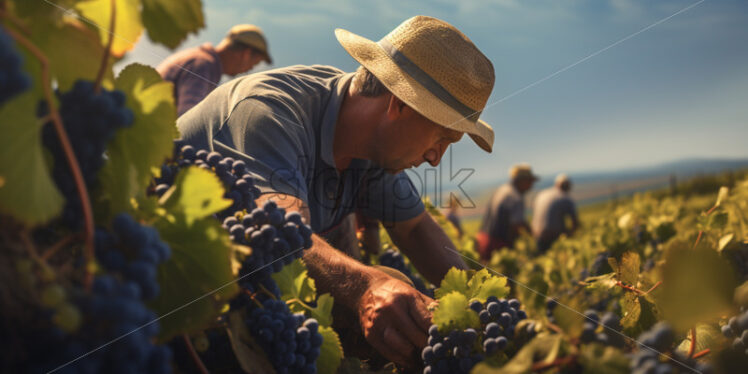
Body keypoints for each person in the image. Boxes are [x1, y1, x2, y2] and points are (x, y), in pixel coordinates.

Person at [176, 16, 496, 367]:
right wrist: (366, 287)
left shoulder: (370, 141)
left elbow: (416, 229)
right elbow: (285, 238)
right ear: (401, 104)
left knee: (396, 294)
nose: (437, 159)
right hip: (161, 304)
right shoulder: (268, 112)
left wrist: (479, 307)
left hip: (232, 295)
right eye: (442, 137)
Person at [157, 24, 272, 116]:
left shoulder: (199, 59)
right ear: (246, 55)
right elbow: (187, 118)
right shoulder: (203, 66)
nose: (250, 69)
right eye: (254, 63)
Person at [476, 164, 538, 261]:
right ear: (521, 180)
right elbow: (517, 225)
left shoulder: (503, 189)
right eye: (530, 181)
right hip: (497, 245)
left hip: (483, 239)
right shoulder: (515, 197)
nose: (531, 185)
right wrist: (532, 238)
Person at [532, 173, 579, 253]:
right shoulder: (565, 198)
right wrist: (572, 236)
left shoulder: (542, 194)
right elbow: (575, 222)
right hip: (553, 237)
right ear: (568, 186)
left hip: (536, 234)